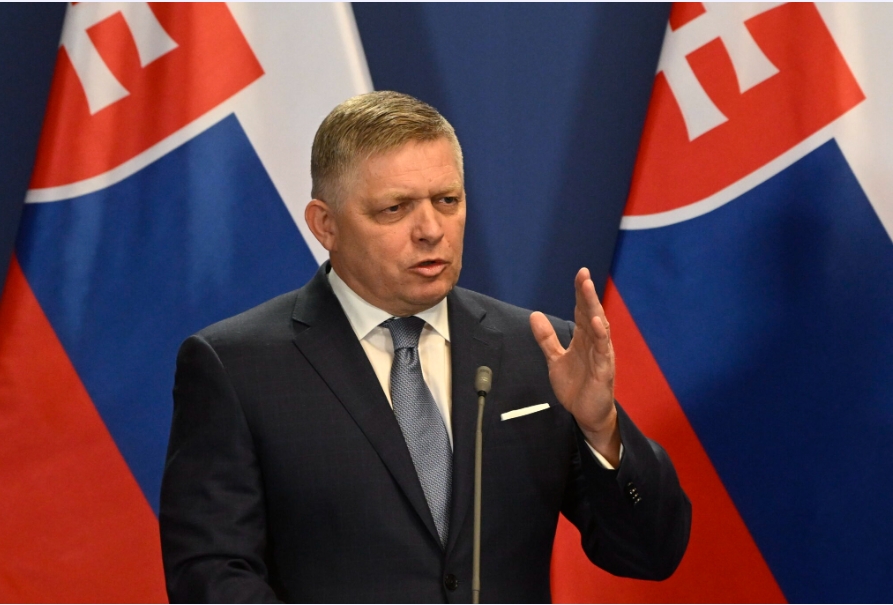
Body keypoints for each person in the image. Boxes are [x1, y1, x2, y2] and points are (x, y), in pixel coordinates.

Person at [159, 91, 691, 603]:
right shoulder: (238, 366)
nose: (431, 230)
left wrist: (602, 429)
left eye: (447, 201)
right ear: (326, 225)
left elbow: (651, 553)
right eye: (395, 208)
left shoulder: (538, 351)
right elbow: (211, 576)